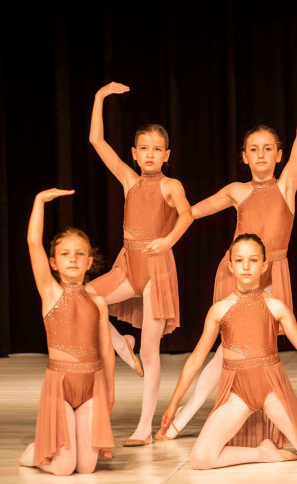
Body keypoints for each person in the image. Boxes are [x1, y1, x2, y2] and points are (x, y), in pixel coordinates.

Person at [157, 54, 297, 441]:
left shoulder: (286, 186)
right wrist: (164, 228)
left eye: (268, 148)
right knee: (228, 349)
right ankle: (188, 415)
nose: (261, 154)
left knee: (260, 350)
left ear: (279, 155)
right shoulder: (236, 190)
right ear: (244, 156)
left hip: (273, 271)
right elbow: (191, 211)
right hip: (237, 271)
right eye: (254, 149)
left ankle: (254, 415)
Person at [158, 234, 297, 469]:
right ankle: (264, 453)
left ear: (264, 265)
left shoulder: (275, 307)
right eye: (239, 260)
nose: (246, 266)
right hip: (237, 393)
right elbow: (196, 359)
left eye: (253, 260)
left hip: (272, 390)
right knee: (200, 459)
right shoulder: (219, 310)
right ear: (230, 266)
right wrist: (174, 403)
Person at [86, 82, 193, 446]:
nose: (150, 154)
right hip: (128, 264)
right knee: (83, 298)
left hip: (156, 269)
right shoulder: (129, 180)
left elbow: (187, 215)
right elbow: (96, 141)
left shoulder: (171, 185)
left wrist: (168, 240)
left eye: (157, 149)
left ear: (166, 154)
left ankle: (144, 428)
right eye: (144, 148)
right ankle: (121, 344)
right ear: (133, 153)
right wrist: (100, 98)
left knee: (149, 351)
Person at [19, 188, 115, 475]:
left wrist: (109, 389)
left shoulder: (98, 301)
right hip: (60, 386)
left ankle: (62, 443)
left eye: (79, 254)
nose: (72, 259)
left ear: (89, 262)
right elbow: (33, 243)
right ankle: (33, 453)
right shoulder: (51, 293)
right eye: (65, 254)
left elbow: (106, 349)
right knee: (63, 468)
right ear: (53, 263)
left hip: (91, 385)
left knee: (86, 468)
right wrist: (39, 201)